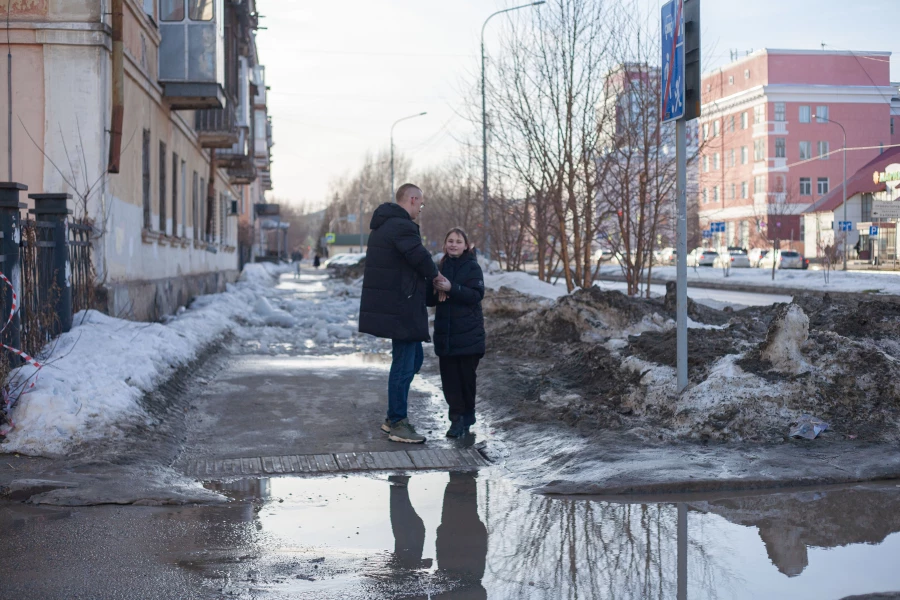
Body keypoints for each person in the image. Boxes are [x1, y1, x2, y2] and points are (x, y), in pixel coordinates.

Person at [359, 183, 448, 444]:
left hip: (399, 303)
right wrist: (437, 276)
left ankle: (392, 417)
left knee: (413, 359)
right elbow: (418, 256)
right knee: (403, 363)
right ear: (411, 199)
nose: (421, 208)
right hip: (402, 305)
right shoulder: (400, 225)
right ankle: (397, 421)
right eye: (420, 203)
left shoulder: (386, 224)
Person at [427, 228, 485, 438]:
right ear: (444, 244)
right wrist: (434, 289)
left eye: (458, 241)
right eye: (450, 240)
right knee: (449, 382)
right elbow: (430, 301)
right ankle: (456, 421)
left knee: (466, 380)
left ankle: (467, 418)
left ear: (465, 245)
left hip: (469, 334)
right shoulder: (439, 267)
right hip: (446, 334)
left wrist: (451, 287)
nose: (453, 244)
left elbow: (476, 295)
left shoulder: (472, 267)